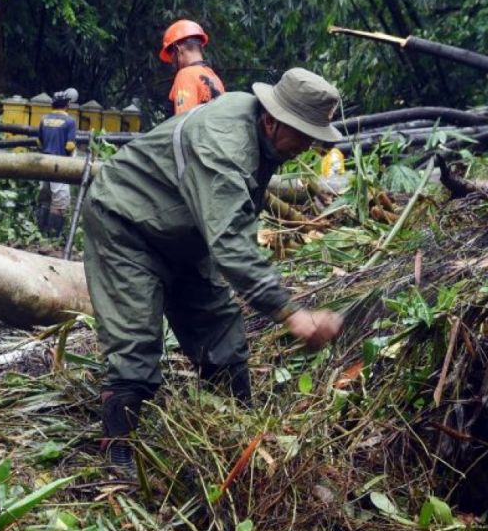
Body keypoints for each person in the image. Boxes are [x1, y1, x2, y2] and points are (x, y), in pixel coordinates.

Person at [82, 68, 346, 475]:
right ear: (273, 120)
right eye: (303, 134)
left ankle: (240, 431)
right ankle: (118, 451)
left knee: (221, 334)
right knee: (135, 344)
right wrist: (291, 313)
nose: (308, 146)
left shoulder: (265, 134)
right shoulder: (225, 145)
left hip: (185, 230)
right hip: (127, 223)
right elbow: (230, 245)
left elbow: (231, 220)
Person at [36, 88, 79, 237]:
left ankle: (40, 233)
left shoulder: (44, 119)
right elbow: (70, 146)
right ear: (67, 105)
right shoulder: (69, 121)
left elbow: (39, 142)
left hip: (43, 164)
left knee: (45, 201)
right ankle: (53, 237)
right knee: (59, 204)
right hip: (59, 165)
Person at [161, 19, 225, 115]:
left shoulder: (185, 75)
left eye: (172, 57)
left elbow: (183, 121)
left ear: (178, 49)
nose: (172, 62)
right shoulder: (215, 78)